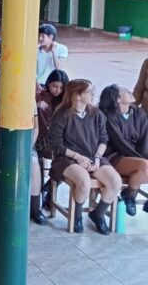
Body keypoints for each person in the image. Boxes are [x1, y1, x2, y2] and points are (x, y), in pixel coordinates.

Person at [47, 79, 122, 235]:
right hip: (67, 158)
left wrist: (96, 158)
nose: (92, 94)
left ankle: (98, 213)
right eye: (88, 92)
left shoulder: (97, 114)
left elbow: (103, 139)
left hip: (93, 156)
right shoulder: (62, 114)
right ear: (77, 96)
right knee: (83, 181)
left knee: (115, 182)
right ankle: (77, 215)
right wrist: (78, 157)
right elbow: (56, 144)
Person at [0, 88, 47, 225]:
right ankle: (10, 204)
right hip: (0, 144)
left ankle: (35, 208)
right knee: (10, 164)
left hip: (24, 144)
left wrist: (28, 145)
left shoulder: (30, 101)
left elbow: (36, 128)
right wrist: (7, 145)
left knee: (34, 165)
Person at [98, 85, 148, 215]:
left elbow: (144, 139)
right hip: (116, 156)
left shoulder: (139, 113)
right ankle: (130, 195)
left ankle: (128, 193)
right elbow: (120, 143)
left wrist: (143, 157)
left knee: (145, 165)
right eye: (125, 91)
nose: (130, 91)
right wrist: (142, 159)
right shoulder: (110, 117)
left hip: (136, 157)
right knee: (144, 165)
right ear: (118, 99)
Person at [36, 70, 70, 158]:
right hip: (43, 139)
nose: (58, 90)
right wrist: (36, 106)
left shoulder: (65, 101)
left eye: (61, 88)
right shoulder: (40, 96)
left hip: (61, 136)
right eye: (54, 86)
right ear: (48, 84)